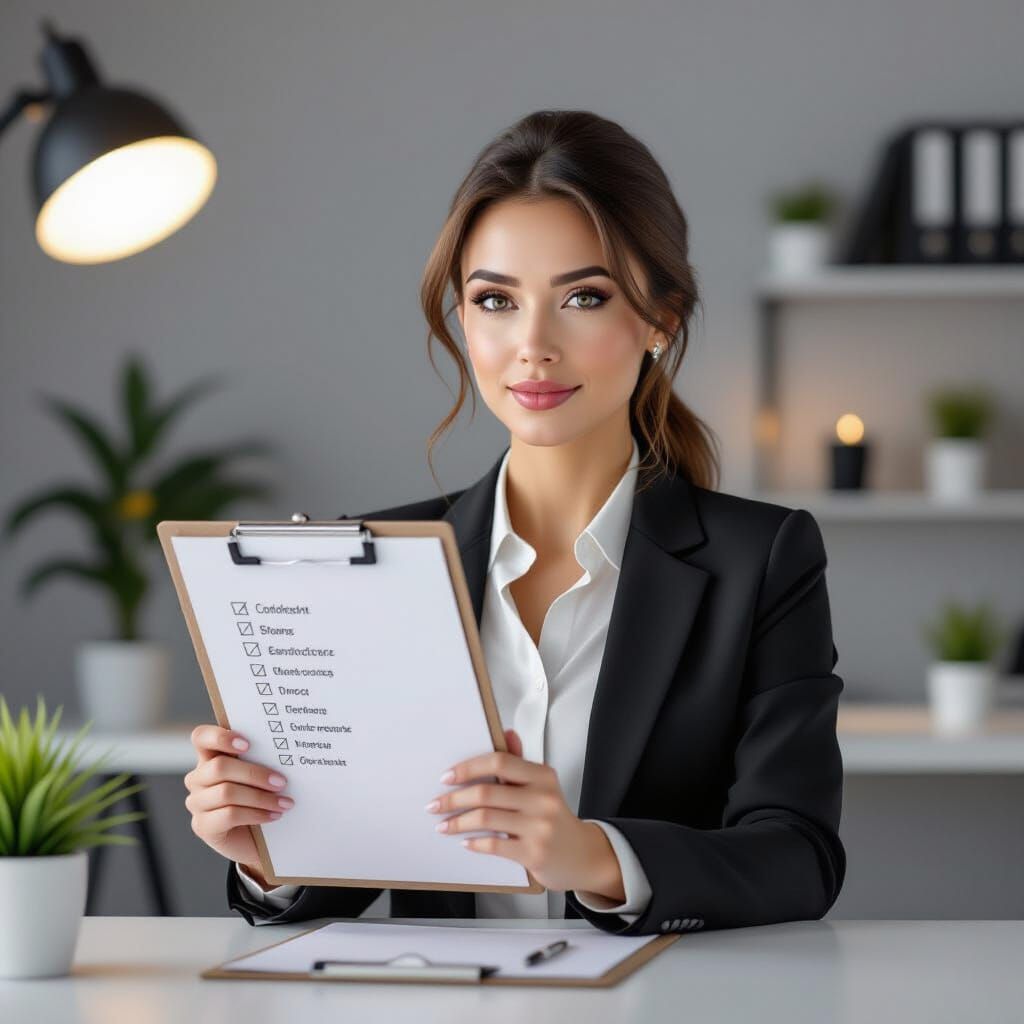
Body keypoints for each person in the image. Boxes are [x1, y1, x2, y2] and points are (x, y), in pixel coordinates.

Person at [184, 109, 846, 937]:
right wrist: (264, 850)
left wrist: (591, 855)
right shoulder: (375, 563)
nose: (532, 345)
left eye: (583, 297)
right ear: (463, 320)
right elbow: (342, 876)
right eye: (495, 299)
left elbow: (800, 855)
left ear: (660, 318)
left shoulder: (763, 559)